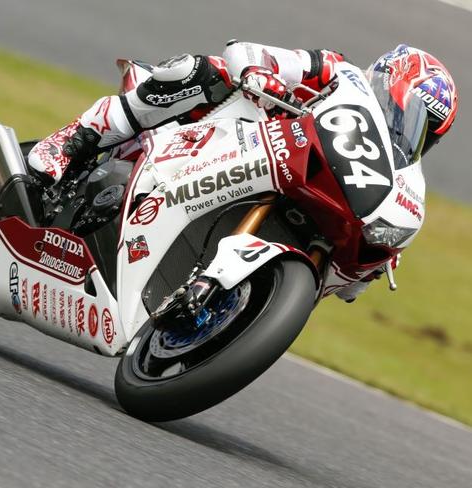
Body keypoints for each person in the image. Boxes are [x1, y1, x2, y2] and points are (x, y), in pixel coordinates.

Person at [28, 42, 458, 301]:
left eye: (423, 132)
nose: (406, 132)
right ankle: (71, 142)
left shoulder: (402, 177)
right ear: (384, 83)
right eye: (406, 114)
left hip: (303, 186)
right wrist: (258, 73)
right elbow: (246, 51)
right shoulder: (336, 71)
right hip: (226, 133)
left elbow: (349, 287)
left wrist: (377, 257)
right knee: (201, 71)